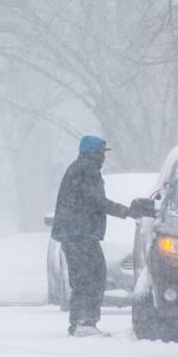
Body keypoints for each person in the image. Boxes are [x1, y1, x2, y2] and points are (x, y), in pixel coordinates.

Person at [51, 135, 144, 337]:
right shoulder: (86, 170)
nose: (103, 157)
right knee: (92, 277)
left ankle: (79, 322)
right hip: (80, 234)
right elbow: (97, 201)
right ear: (92, 153)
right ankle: (85, 321)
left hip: (76, 233)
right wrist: (127, 211)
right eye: (101, 153)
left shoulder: (79, 169)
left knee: (84, 277)